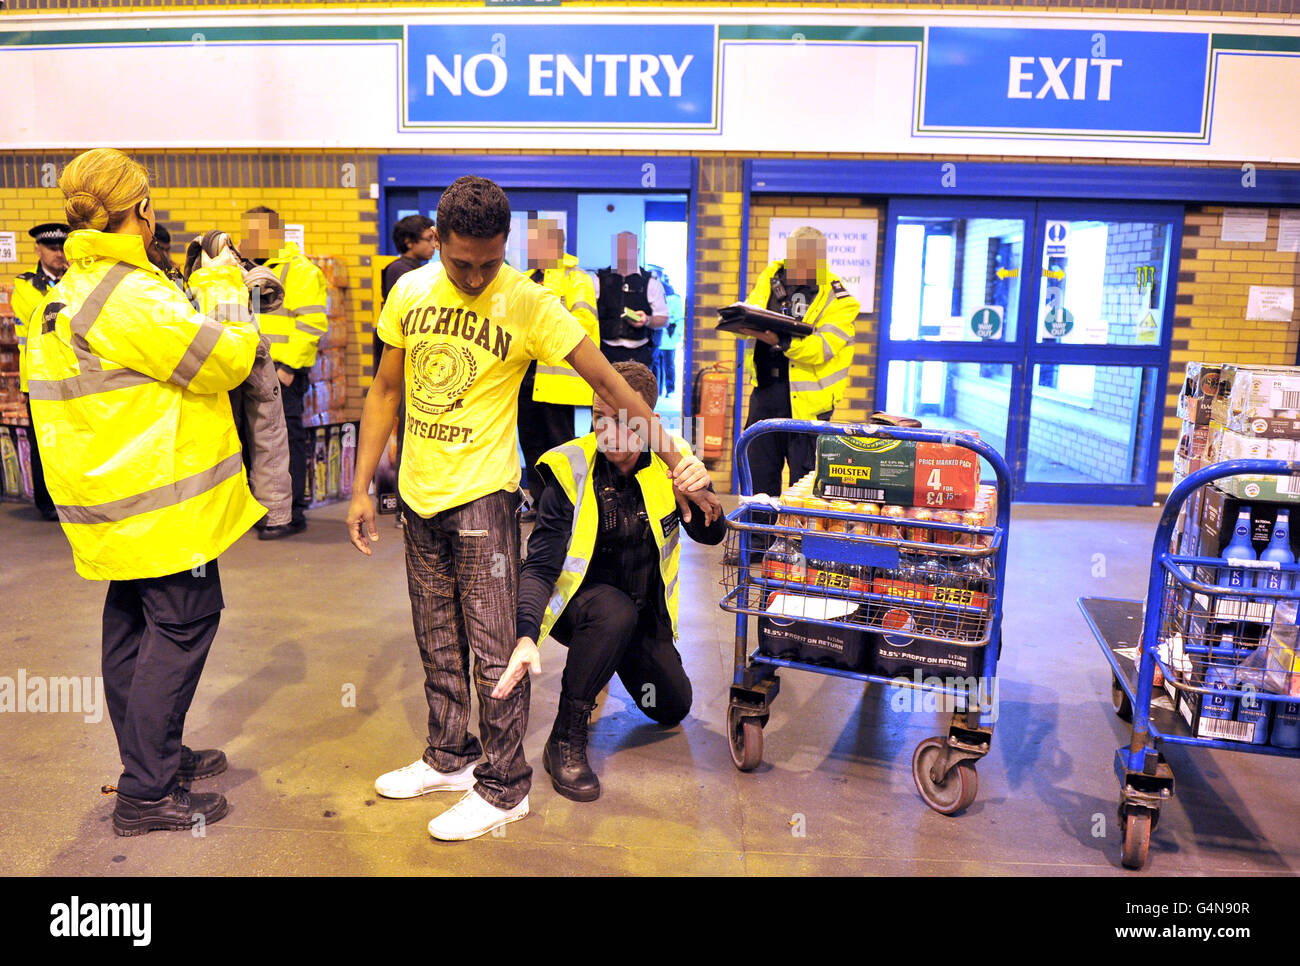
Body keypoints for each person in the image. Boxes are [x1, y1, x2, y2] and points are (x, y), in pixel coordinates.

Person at [347, 175, 719, 842]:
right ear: (438, 239)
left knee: (497, 652)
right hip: (417, 494)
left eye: (490, 261)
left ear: (507, 246)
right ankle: (448, 755)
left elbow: (607, 378)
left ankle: (502, 786)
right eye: (462, 261)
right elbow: (383, 389)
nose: (475, 274)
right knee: (435, 639)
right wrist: (359, 485)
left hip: (484, 495)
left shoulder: (528, 302)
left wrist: (673, 454)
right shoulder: (408, 290)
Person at [25, 148, 266, 836]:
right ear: (143, 210)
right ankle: (147, 791)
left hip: (114, 506)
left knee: (132, 627)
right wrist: (224, 286)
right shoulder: (130, 295)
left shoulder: (75, 289)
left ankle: (156, 757)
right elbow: (222, 359)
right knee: (184, 625)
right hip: (164, 510)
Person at [501, 361, 724, 802]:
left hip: (640, 615)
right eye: (600, 417)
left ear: (650, 423)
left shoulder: (672, 462)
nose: (608, 430)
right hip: (581, 610)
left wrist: (703, 487)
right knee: (611, 613)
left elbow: (711, 534)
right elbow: (541, 565)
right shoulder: (571, 468)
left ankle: (609, 656)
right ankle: (565, 739)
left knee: (671, 706)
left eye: (623, 420)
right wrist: (526, 634)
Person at [742, 226, 860, 497]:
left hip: (809, 407)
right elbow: (754, 309)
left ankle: (796, 540)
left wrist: (779, 341)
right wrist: (741, 322)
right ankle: (759, 539)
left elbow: (822, 348)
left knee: (805, 487)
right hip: (765, 394)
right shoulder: (772, 277)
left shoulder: (839, 299)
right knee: (758, 479)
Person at [240, 205, 328, 539]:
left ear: (277, 234)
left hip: (281, 374)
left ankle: (291, 512)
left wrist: (288, 367)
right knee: (255, 440)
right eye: (249, 232)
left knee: (286, 442)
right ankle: (264, 508)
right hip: (249, 370)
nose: (253, 239)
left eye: (260, 232)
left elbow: (312, 323)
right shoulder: (244, 270)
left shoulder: (300, 271)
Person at [518, 217, 599, 507]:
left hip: (557, 382)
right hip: (525, 379)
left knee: (559, 448)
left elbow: (583, 325)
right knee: (531, 445)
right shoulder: (524, 279)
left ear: (558, 244)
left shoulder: (576, 278)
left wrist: (539, 329)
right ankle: (540, 505)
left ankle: (563, 509)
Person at [11, 222, 69, 521]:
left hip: (72, 374)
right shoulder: (25, 286)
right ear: (38, 250)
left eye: (62, 247)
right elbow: (42, 316)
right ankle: (47, 503)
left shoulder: (77, 279)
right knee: (43, 441)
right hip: (37, 378)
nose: (59, 254)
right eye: (52, 248)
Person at [595, 231, 667, 370]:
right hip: (605, 353)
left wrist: (647, 320)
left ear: (637, 251)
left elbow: (664, 319)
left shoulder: (651, 282)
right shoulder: (598, 280)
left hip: (639, 355)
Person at [377, 214, 436, 376]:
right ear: (409, 242)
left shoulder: (416, 268)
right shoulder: (400, 270)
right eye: (429, 239)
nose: (434, 245)